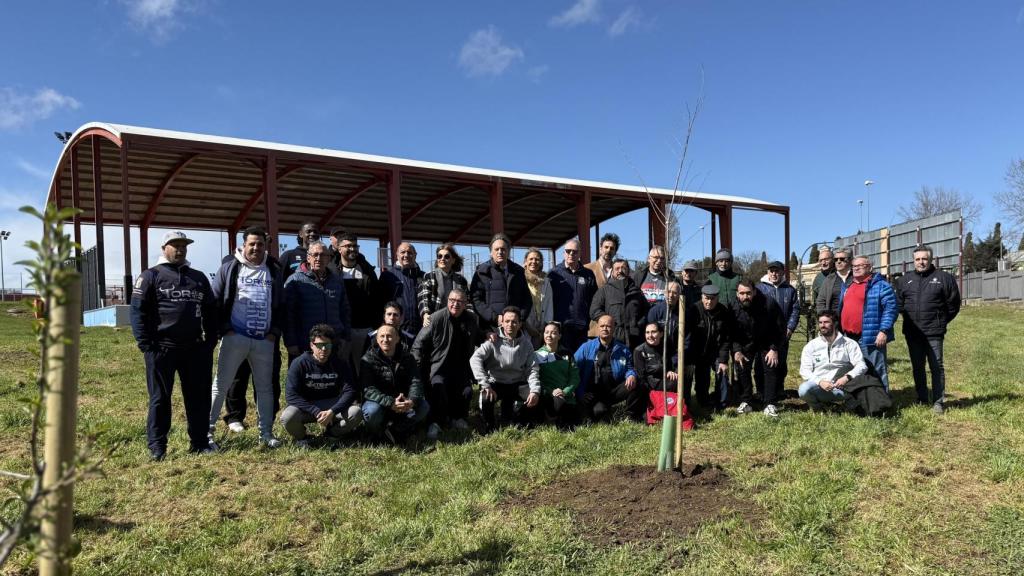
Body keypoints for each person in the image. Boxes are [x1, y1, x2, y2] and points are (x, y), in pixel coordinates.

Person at [130, 231, 218, 460]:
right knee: (160, 399)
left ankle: (199, 443)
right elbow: (137, 311)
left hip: (195, 349)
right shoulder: (150, 276)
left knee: (198, 398)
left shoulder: (198, 277)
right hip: (162, 349)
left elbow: (211, 311)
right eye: (175, 245)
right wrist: (146, 345)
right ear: (164, 248)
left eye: (184, 245)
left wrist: (209, 341)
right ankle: (157, 448)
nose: (180, 249)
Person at [208, 227, 285, 448]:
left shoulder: (273, 269)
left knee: (265, 388)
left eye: (260, 244)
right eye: (251, 244)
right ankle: (207, 433)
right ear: (243, 245)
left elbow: (281, 304)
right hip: (235, 337)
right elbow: (215, 301)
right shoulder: (230, 267)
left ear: (266, 246)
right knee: (220, 386)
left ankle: (266, 434)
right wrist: (224, 329)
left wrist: (274, 333)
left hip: (264, 341)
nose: (256, 248)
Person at [894, 244, 961, 413]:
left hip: (934, 332)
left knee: (936, 367)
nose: (921, 262)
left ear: (931, 259)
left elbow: (953, 304)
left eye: (924, 259)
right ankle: (922, 397)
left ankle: (938, 402)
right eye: (918, 259)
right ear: (913, 261)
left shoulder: (944, 278)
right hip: (913, 332)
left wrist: (941, 321)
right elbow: (899, 305)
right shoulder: (904, 281)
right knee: (917, 366)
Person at [412, 288, 485, 438]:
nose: (455, 304)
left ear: (466, 304)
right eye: (452, 300)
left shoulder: (471, 319)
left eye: (460, 301)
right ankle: (435, 422)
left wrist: (489, 335)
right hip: (438, 367)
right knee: (438, 389)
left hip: (461, 368)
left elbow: (479, 337)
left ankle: (457, 418)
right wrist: (417, 369)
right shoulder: (436, 318)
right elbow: (418, 344)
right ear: (447, 301)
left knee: (467, 391)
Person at [279, 324, 362, 448]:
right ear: (312, 345)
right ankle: (303, 438)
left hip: (332, 405)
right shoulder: (299, 363)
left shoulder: (339, 363)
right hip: (307, 406)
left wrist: (332, 411)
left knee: (356, 412)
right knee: (288, 417)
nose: (323, 349)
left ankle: (332, 434)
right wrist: (316, 411)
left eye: (327, 345)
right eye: (319, 345)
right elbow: (291, 396)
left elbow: (350, 390)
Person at [471, 306, 541, 431]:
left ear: (520, 324)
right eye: (507, 321)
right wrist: (485, 383)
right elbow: (475, 359)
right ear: (502, 322)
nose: (510, 324)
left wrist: (535, 390)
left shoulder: (526, 344)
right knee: (487, 397)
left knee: (534, 395)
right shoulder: (493, 340)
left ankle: (519, 420)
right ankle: (489, 424)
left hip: (516, 383)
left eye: (514, 322)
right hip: (496, 382)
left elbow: (532, 368)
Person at [283, 240, 352, 367]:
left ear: (329, 259)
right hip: (305, 345)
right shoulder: (294, 281)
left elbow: (345, 311)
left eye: (323, 255)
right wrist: (291, 342)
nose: (319, 258)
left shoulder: (337, 281)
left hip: (334, 344)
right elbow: (288, 314)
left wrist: (346, 338)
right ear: (308, 257)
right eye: (315, 255)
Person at [360, 324, 429, 443]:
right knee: (372, 412)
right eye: (382, 336)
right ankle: (377, 434)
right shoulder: (367, 359)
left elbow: (416, 382)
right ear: (377, 339)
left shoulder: (408, 357)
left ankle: (395, 431)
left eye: (389, 336)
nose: (385, 339)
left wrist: (411, 400)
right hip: (379, 402)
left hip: (402, 402)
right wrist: (390, 402)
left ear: (397, 339)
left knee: (424, 406)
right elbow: (368, 389)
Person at [838, 256, 897, 391]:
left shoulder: (881, 285)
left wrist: (883, 331)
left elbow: (891, 309)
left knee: (876, 369)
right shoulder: (848, 285)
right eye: (854, 266)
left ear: (870, 267)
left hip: (870, 336)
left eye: (861, 265)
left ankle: (883, 401)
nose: (856, 268)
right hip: (848, 336)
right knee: (854, 370)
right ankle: (862, 399)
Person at [730, 280, 786, 417]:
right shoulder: (733, 306)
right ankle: (746, 401)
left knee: (770, 366)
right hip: (746, 340)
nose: (745, 296)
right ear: (737, 294)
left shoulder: (769, 303)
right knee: (742, 366)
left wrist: (774, 349)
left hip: (767, 338)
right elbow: (732, 332)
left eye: (748, 293)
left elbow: (780, 327)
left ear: (754, 292)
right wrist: (737, 350)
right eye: (742, 293)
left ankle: (769, 403)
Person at [574, 314, 643, 422]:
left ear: (614, 328)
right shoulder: (586, 348)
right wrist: (581, 392)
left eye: (608, 326)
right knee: (599, 412)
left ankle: (631, 416)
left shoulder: (623, 349)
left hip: (613, 391)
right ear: (597, 328)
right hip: (593, 393)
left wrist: (631, 375)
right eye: (602, 326)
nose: (605, 328)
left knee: (637, 383)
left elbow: (630, 367)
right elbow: (573, 370)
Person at [798, 310, 869, 410]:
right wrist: (820, 382)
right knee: (803, 389)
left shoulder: (849, 343)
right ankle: (820, 408)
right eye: (820, 322)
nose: (823, 325)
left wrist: (847, 377)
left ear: (835, 323)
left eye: (826, 322)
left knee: (865, 387)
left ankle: (848, 404)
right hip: (820, 387)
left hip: (844, 388)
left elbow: (862, 365)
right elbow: (805, 370)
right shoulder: (811, 346)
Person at [756, 261, 800, 396]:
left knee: (781, 362)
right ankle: (761, 390)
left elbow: (795, 310)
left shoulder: (790, 290)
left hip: (783, 334)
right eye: (771, 271)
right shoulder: (760, 288)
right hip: (763, 334)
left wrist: (790, 328)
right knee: (760, 363)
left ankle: (778, 389)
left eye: (777, 271)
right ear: (767, 272)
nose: (774, 274)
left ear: (782, 272)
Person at [470, 233, 532, 330]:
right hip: (491, 328)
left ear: (508, 252)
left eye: (503, 249)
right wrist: (494, 317)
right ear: (491, 252)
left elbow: (527, 299)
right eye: (496, 249)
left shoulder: (518, 272)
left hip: (515, 328)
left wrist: (520, 318)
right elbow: (476, 300)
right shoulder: (481, 272)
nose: (500, 252)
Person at [683, 285, 731, 410]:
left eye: (713, 299)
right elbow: (687, 335)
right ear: (702, 297)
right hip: (698, 352)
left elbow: (726, 338)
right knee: (702, 379)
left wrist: (723, 360)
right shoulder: (693, 310)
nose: (709, 301)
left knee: (723, 372)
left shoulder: (723, 311)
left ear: (718, 298)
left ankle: (722, 403)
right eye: (706, 298)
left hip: (716, 351)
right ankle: (703, 401)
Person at [548, 238, 598, 354]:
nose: (571, 254)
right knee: (563, 362)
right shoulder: (554, 274)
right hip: (561, 329)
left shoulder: (588, 274)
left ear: (579, 253)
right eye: (568, 251)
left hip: (581, 328)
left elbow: (594, 300)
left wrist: (587, 319)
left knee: (580, 363)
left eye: (575, 251)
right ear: (563, 252)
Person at [590, 258, 648, 349]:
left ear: (628, 271)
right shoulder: (604, 290)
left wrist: (638, 324)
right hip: (613, 337)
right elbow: (594, 311)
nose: (620, 271)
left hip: (634, 338)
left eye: (623, 268)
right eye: (617, 268)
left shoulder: (637, 291)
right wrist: (608, 322)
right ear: (612, 272)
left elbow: (646, 311)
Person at [533, 321, 580, 428]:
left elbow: (575, 377)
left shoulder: (567, 354)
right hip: (547, 396)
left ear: (559, 336)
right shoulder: (536, 355)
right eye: (546, 332)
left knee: (576, 421)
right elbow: (536, 379)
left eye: (553, 333)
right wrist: (551, 391)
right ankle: (549, 419)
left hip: (566, 396)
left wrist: (565, 391)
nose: (549, 335)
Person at [418, 242, 470, 327]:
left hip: (458, 322)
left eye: (446, 256)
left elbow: (467, 301)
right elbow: (424, 297)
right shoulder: (429, 276)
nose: (442, 259)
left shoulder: (461, 280)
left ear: (453, 260)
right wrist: (425, 314)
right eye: (439, 256)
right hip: (436, 322)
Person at [379, 241, 426, 335]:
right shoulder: (387, 275)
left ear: (415, 255)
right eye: (403, 252)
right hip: (396, 330)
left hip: (420, 330)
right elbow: (380, 302)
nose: (406, 255)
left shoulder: (423, 276)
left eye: (409, 252)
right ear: (397, 255)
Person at [522, 248, 554, 348]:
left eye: (537, 259)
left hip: (541, 326)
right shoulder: (520, 279)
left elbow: (549, 304)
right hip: (525, 326)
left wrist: (545, 327)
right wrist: (527, 326)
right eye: (531, 259)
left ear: (541, 263)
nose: (534, 262)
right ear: (525, 262)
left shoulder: (546, 281)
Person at [646, 281, 682, 357]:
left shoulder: (684, 313)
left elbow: (687, 339)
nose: (671, 295)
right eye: (668, 292)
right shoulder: (655, 311)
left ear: (679, 295)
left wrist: (677, 359)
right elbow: (650, 336)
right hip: (659, 355)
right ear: (664, 293)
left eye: (675, 293)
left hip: (678, 355)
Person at [817, 247, 853, 313]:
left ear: (850, 260)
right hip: (834, 320)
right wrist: (823, 317)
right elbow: (821, 301)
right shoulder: (829, 279)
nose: (838, 261)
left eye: (842, 259)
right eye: (836, 259)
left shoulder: (857, 277)